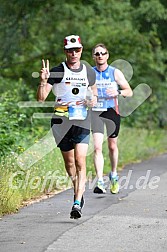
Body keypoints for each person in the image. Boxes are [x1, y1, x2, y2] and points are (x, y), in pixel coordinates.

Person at [37, 35, 97, 219]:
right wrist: (43, 81)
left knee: (80, 161)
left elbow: (93, 95)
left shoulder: (88, 72)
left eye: (77, 49)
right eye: (70, 50)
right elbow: (41, 98)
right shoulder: (58, 71)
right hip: (61, 122)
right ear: (65, 52)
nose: (74, 53)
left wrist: (92, 100)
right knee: (69, 163)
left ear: (81, 50)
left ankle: (77, 202)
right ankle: (77, 189)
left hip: (82, 121)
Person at [91, 43, 133, 194]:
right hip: (95, 111)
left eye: (103, 53)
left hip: (111, 111)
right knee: (97, 147)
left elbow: (129, 91)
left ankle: (113, 174)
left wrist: (118, 92)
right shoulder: (89, 73)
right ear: (93, 57)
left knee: (112, 146)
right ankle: (100, 181)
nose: (100, 56)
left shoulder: (115, 72)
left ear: (107, 55)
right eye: (97, 54)